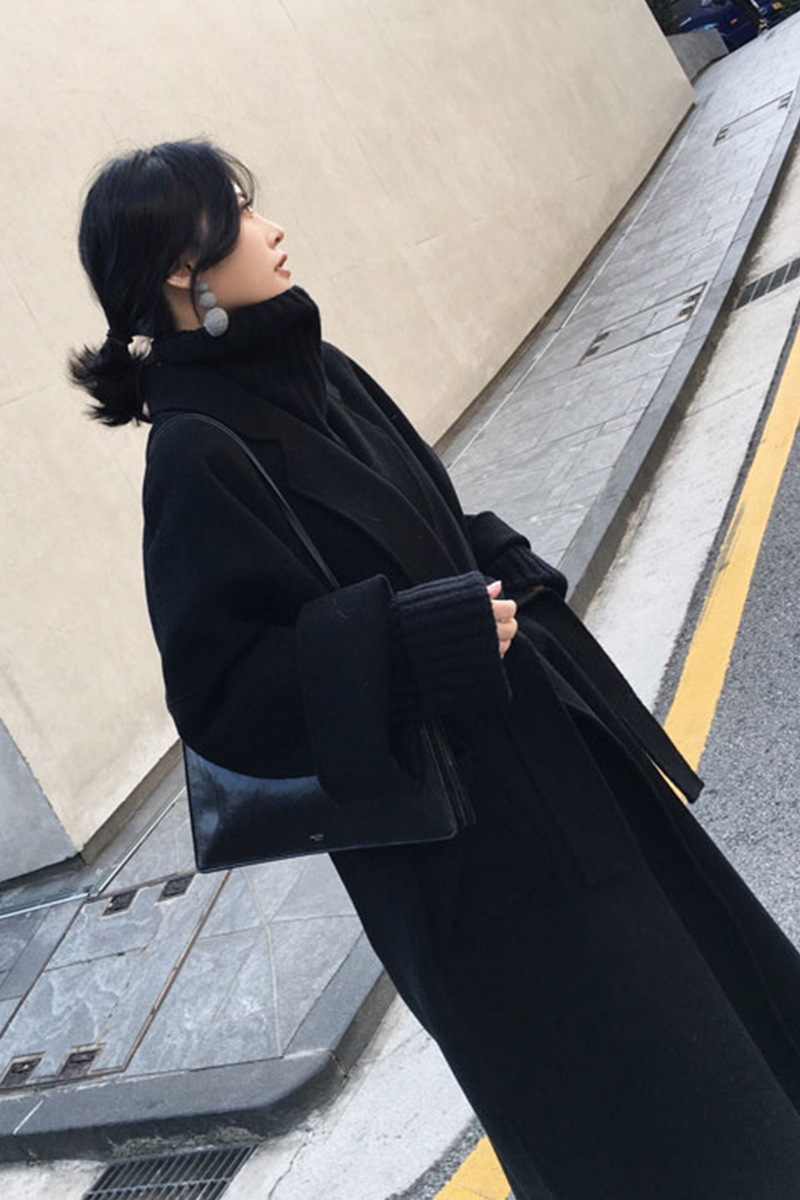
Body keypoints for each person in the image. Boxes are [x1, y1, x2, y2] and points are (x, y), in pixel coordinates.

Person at [68, 138, 800, 1199]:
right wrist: (415, 644)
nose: (272, 229)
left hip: (550, 766)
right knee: (623, 1089)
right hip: (463, 859)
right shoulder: (194, 451)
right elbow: (222, 697)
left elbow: (431, 518)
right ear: (186, 270)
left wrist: (502, 572)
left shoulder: (319, 368)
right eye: (240, 214)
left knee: (705, 1015)